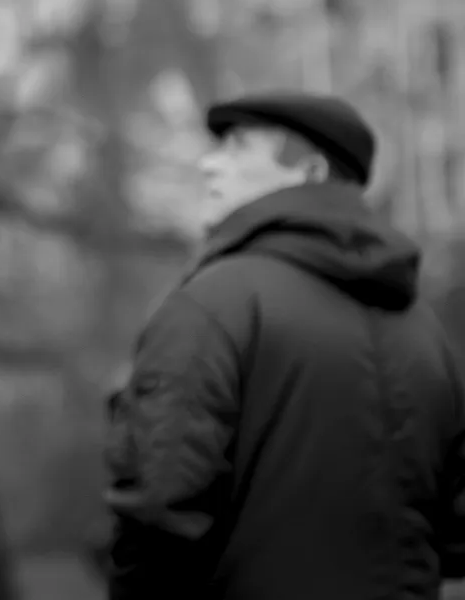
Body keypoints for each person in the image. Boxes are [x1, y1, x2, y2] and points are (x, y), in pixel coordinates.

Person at [103, 90, 465, 600]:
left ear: (311, 170)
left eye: (238, 148)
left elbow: (158, 508)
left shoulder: (213, 304)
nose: (210, 165)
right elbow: (452, 535)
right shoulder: (424, 329)